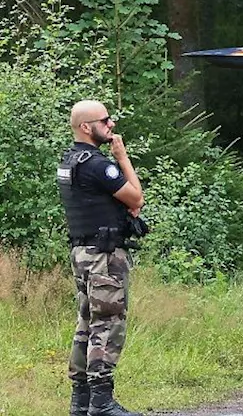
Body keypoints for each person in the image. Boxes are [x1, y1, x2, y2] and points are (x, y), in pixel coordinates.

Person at [59, 101, 145, 416]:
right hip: (104, 257)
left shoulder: (70, 162)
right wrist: (121, 157)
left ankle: (80, 402)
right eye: (105, 120)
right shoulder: (98, 165)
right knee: (107, 325)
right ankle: (102, 403)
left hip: (82, 254)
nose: (111, 125)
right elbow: (137, 198)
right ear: (86, 127)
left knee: (86, 323)